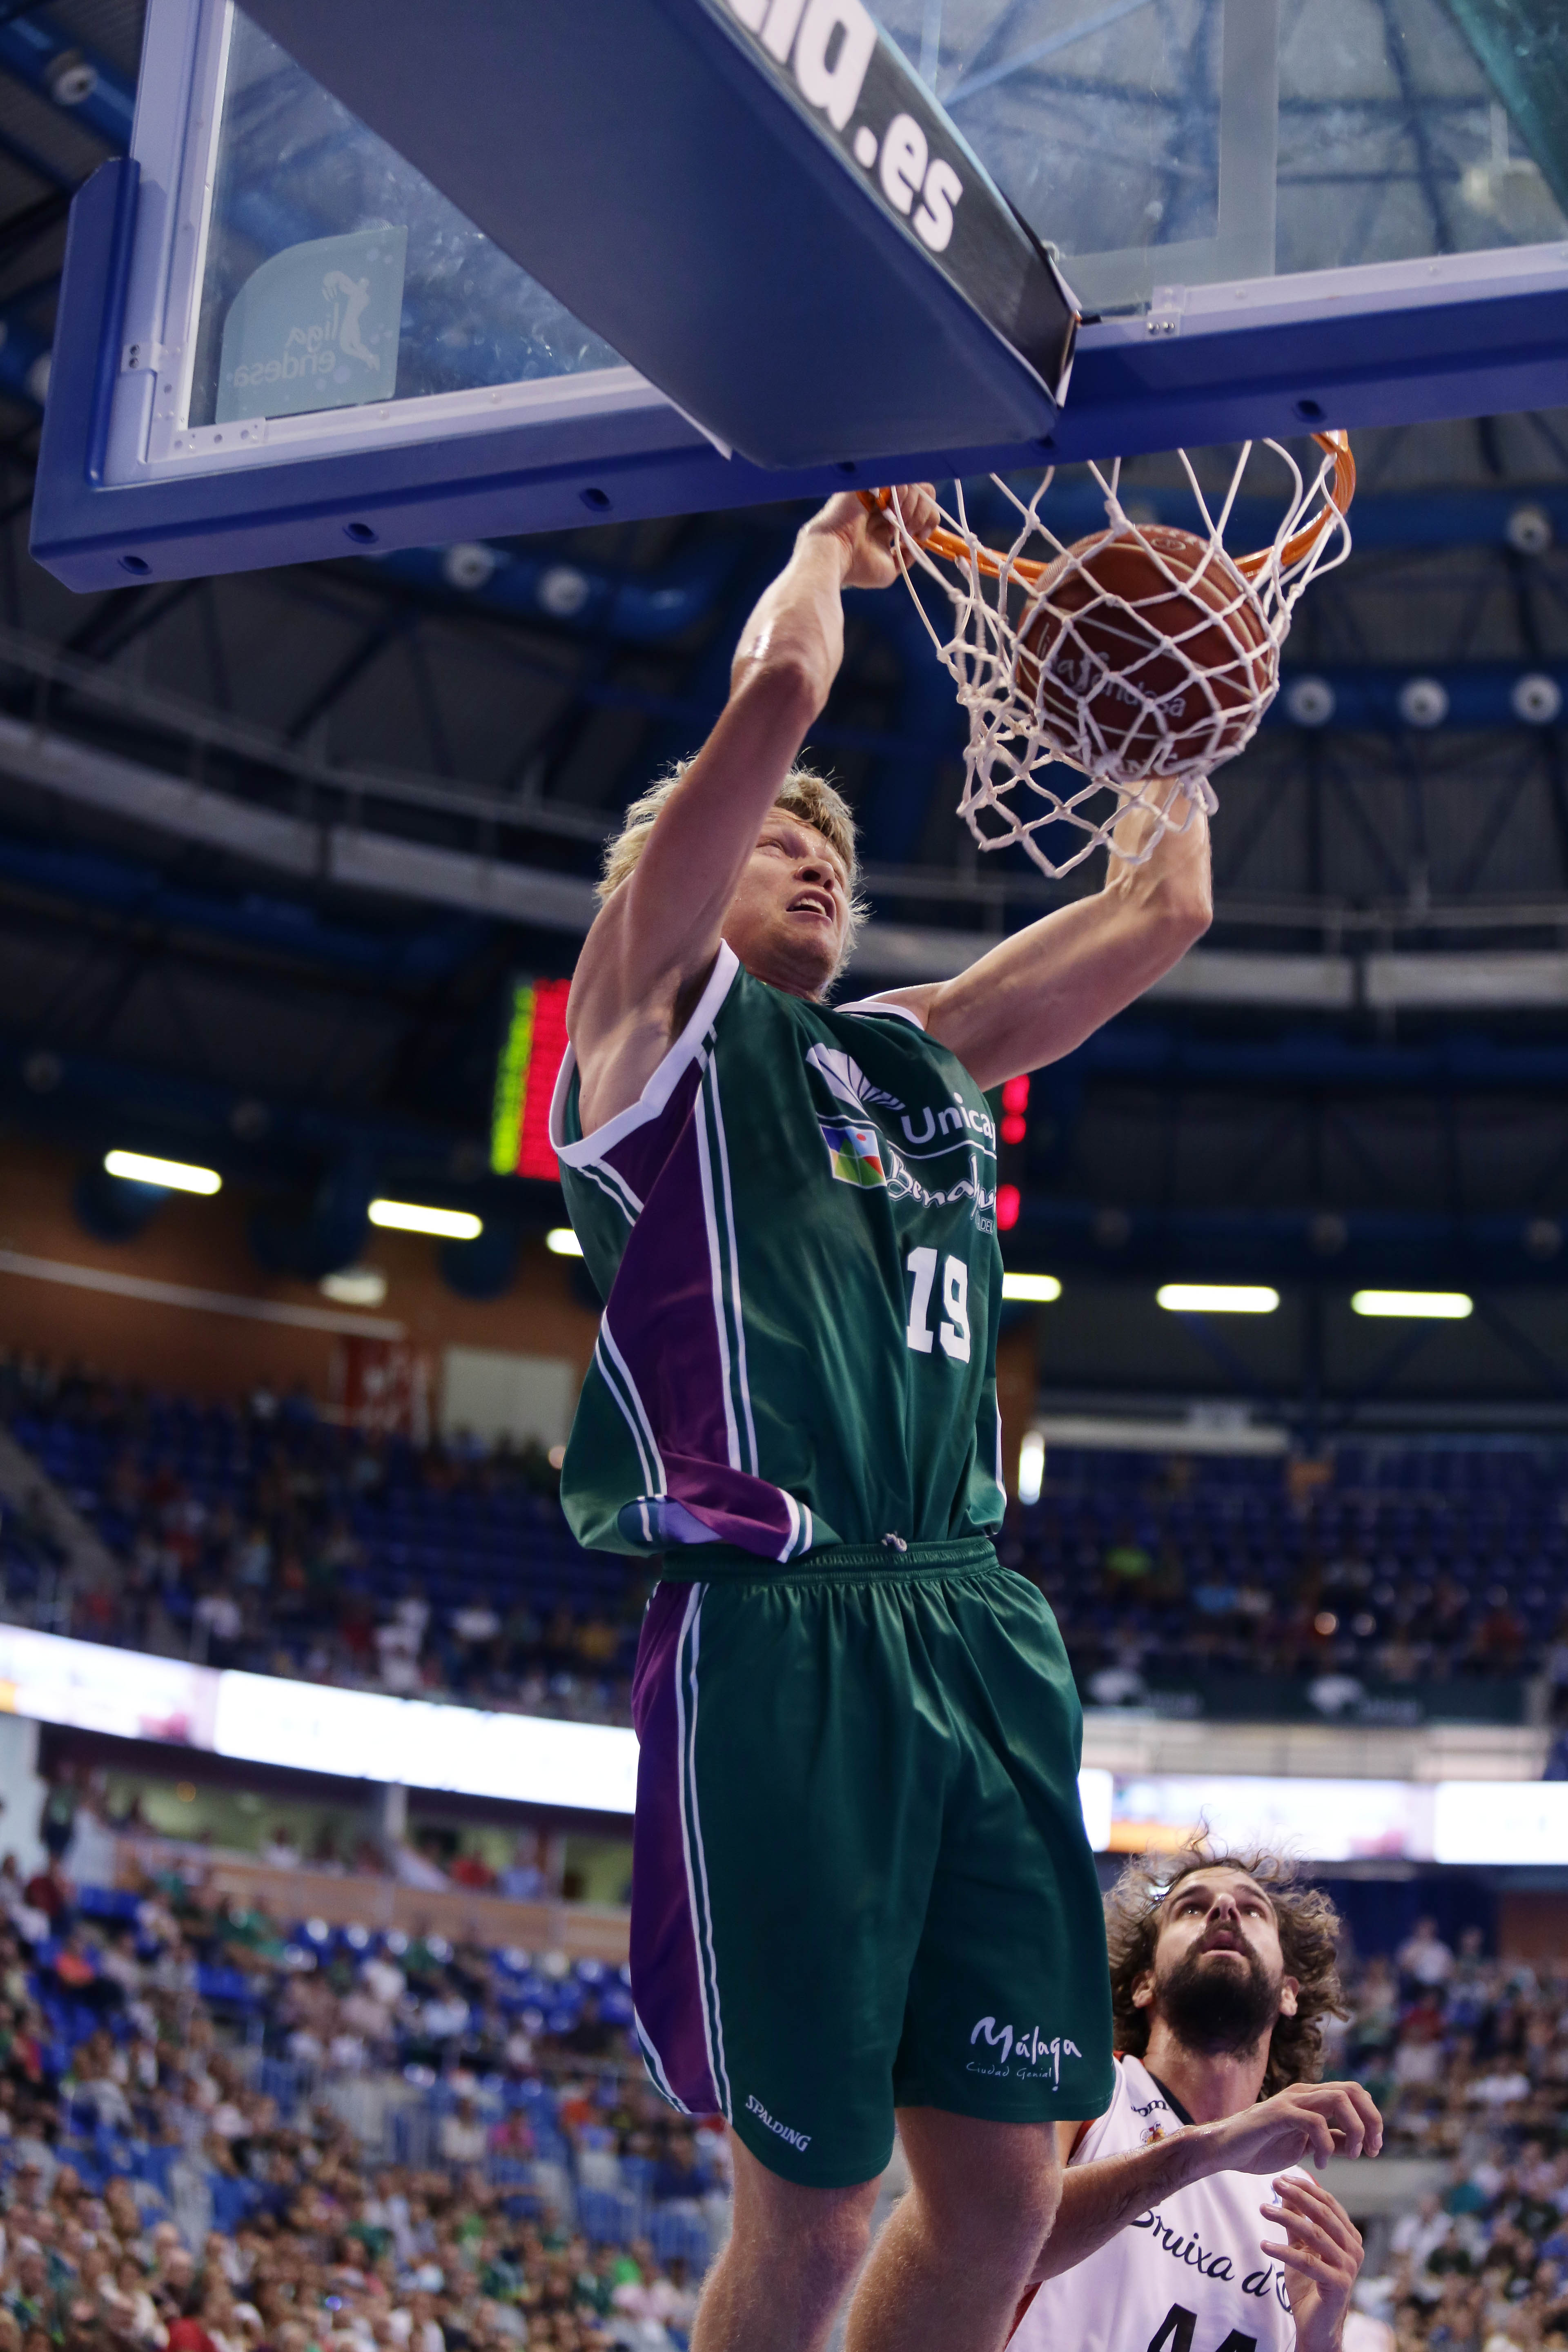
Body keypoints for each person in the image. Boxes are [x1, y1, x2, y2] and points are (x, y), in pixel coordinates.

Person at [552, 484, 1214, 2352]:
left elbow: (1165, 904)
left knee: (1006, 2188)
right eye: (776, 845)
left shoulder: (915, 1053)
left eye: (836, 852)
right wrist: (821, 572)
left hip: (976, 1616)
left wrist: (1171, 718)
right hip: (783, 1628)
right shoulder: (642, 1029)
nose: (818, 857)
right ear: (669, 878)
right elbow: (769, 702)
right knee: (825, 2206)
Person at [1009, 1847, 1383, 2352]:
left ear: (1288, 1995)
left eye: (1253, 1909)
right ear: (1145, 1984)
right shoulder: (1083, 2081)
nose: (1224, 1910)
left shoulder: (1296, 2203)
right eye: (1191, 1907)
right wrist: (1210, 2147)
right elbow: (992, 2249)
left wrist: (1321, 2341)